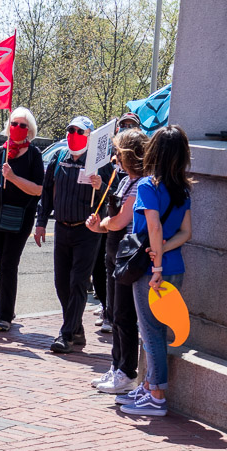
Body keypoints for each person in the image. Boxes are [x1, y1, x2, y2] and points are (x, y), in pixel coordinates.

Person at [118, 125, 192, 417]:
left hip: (153, 271)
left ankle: (156, 394)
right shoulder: (182, 188)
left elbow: (153, 225)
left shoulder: (149, 185)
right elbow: (186, 232)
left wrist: (156, 262)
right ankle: (149, 386)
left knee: (150, 332)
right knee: (158, 331)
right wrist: (163, 248)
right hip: (174, 267)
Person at [35, 115, 115, 353]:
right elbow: (47, 193)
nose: (73, 134)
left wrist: (100, 185)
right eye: (71, 130)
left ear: (89, 136)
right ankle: (77, 329)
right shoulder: (59, 159)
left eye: (79, 131)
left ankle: (66, 334)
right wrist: (40, 223)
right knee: (61, 284)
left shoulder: (100, 163)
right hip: (61, 228)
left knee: (78, 282)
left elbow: (113, 194)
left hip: (87, 231)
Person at [86, 129, 148, 393]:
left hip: (126, 254)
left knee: (124, 314)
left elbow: (122, 220)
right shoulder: (124, 181)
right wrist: (98, 226)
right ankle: (116, 364)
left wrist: (105, 224)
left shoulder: (140, 183)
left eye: (118, 153)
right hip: (113, 251)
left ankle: (127, 371)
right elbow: (112, 221)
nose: (115, 158)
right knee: (113, 311)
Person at [0, 107, 45, 332]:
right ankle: (5, 310)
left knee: (10, 263)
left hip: (21, 216)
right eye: (14, 124)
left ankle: (5, 315)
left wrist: (14, 177)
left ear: (29, 130)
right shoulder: (0, 152)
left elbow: (38, 189)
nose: (17, 128)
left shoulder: (34, 154)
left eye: (22, 125)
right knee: (1, 262)